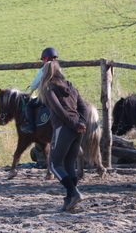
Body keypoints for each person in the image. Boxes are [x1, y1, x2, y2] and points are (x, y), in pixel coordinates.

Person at [39, 60, 87, 212]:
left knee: (54, 164)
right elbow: (83, 108)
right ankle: (69, 199)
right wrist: (81, 124)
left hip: (64, 128)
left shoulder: (49, 88)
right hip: (77, 130)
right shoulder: (72, 88)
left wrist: (73, 124)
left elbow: (59, 110)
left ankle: (74, 193)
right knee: (69, 164)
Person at [20, 47, 59, 133]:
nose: (43, 61)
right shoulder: (59, 69)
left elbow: (34, 86)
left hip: (47, 97)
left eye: (43, 59)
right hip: (59, 96)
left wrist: (32, 87)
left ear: (45, 58)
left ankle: (31, 126)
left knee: (29, 105)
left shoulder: (44, 69)